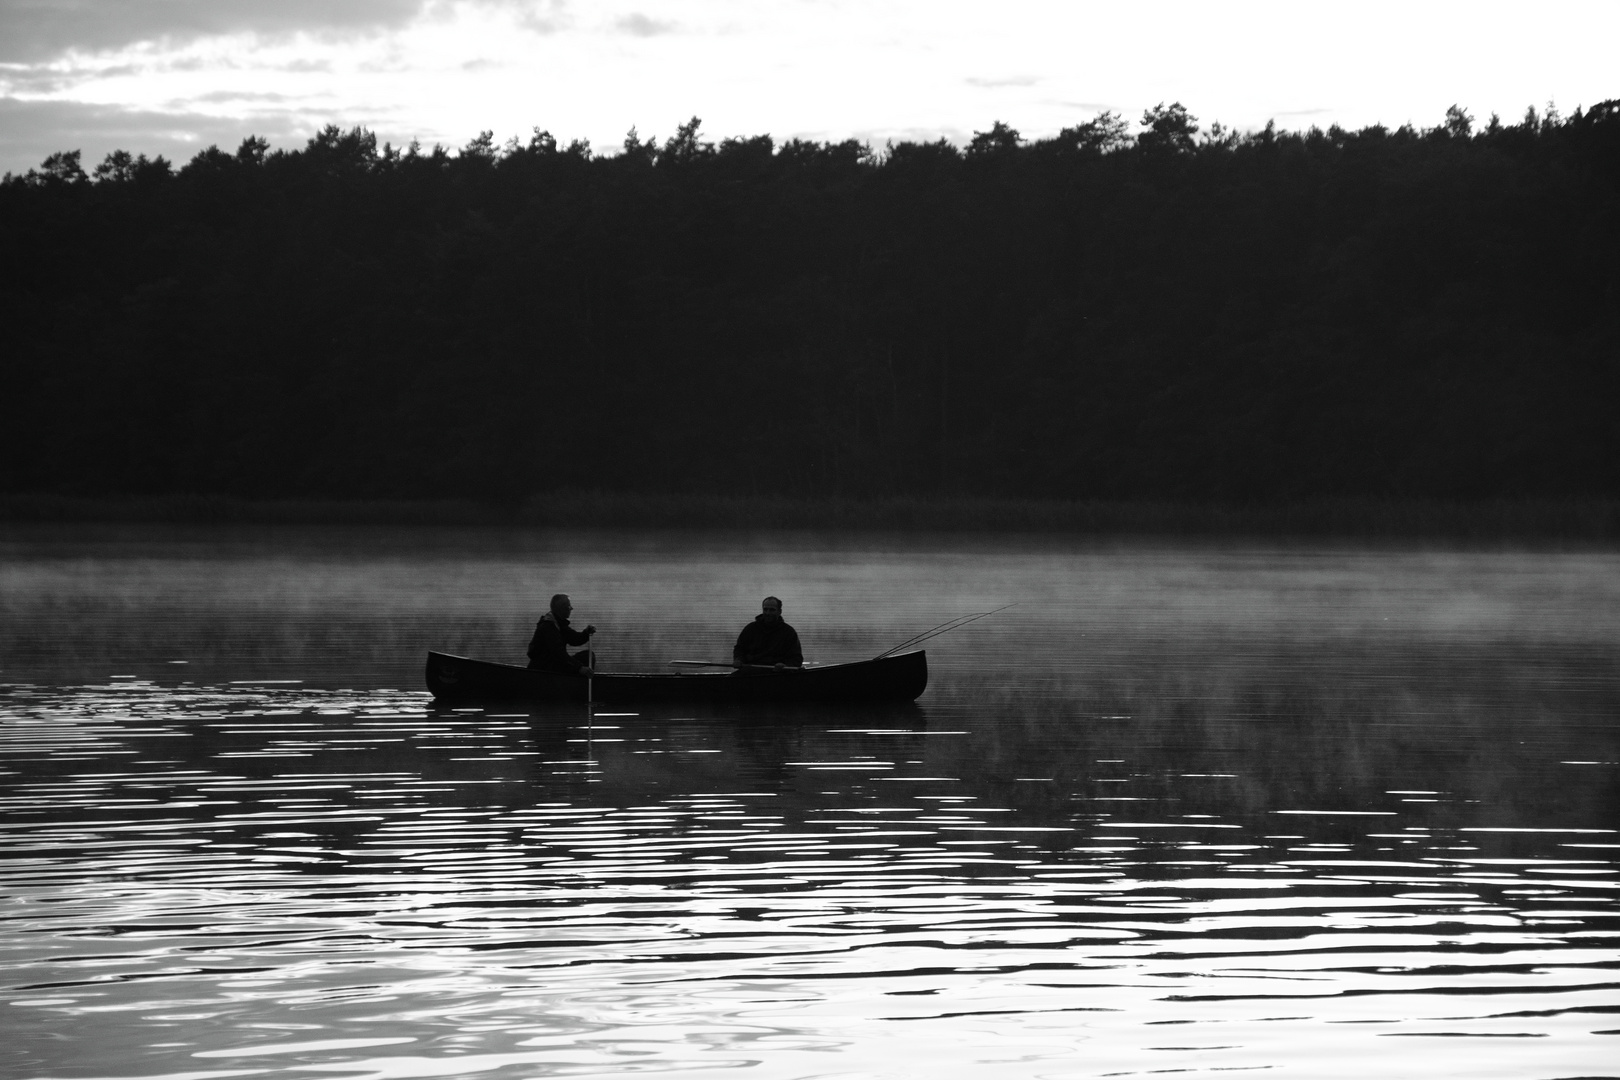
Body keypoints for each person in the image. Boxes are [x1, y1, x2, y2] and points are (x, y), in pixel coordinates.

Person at [527, 593, 596, 675]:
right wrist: (579, 668)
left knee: (588, 656)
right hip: (544, 669)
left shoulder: (558, 623)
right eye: (568, 606)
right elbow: (558, 653)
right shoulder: (548, 626)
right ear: (561, 608)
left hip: (553, 664)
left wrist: (586, 633)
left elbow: (574, 639)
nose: (571, 608)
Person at [733, 596, 803, 669]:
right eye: (765, 609)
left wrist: (786, 666)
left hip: (777, 675)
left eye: (772, 610)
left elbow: (796, 658)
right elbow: (739, 649)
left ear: (779, 611)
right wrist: (738, 660)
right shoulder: (750, 629)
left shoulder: (789, 632)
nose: (768, 613)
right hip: (750, 673)